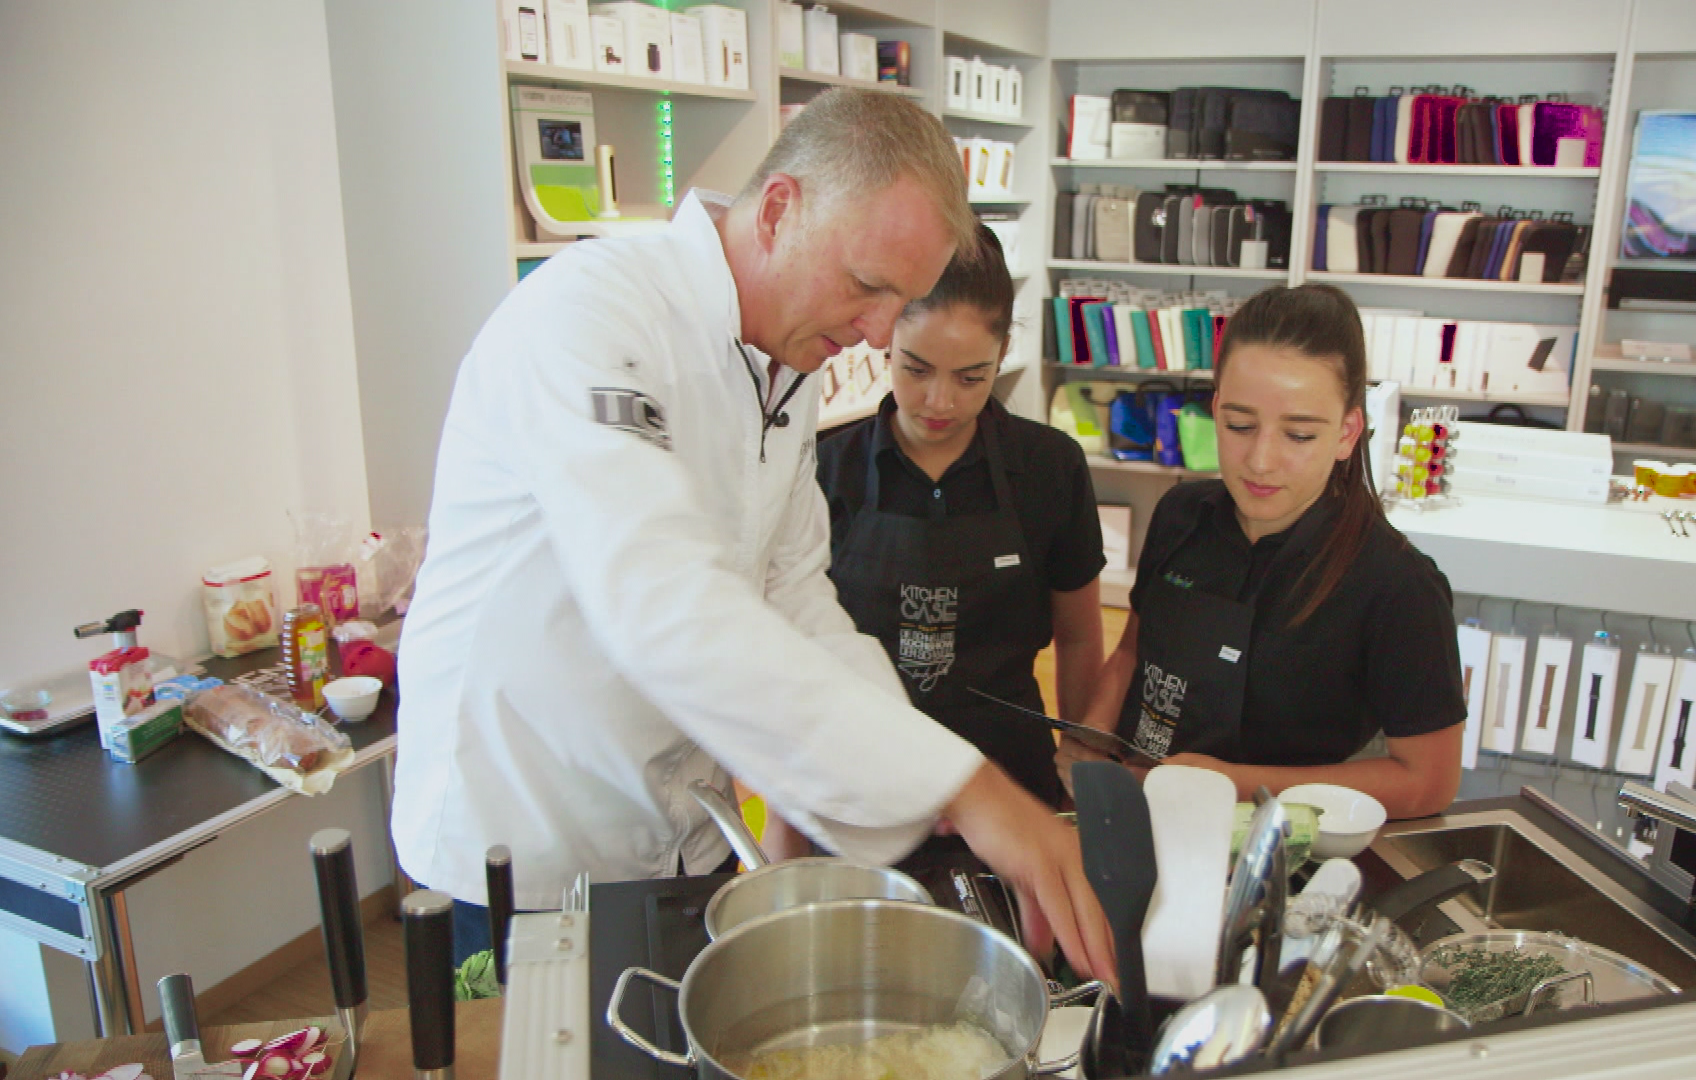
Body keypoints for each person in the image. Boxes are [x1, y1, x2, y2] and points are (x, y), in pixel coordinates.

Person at [391, 88, 1113, 983]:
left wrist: (936, 786)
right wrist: (958, 787)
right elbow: (661, 603)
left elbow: (797, 594)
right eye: (867, 287)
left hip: (686, 835)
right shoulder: (591, 317)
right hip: (531, 841)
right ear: (778, 212)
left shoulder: (782, 363)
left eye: (905, 300)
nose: (877, 334)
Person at [1056, 284, 1464, 818]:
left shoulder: (1397, 586)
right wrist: (1094, 735)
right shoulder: (1181, 514)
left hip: (1283, 859)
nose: (1261, 460)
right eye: (1240, 426)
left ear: (1346, 433)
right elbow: (1136, 649)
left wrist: (1235, 784)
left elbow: (1429, 780)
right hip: (1137, 819)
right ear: (1216, 409)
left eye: (1298, 435)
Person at [810, 224, 1107, 814]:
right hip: (866, 771)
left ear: (1002, 355)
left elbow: (1077, 635)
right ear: (885, 342)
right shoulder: (829, 468)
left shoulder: (1049, 467)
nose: (940, 402)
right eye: (916, 370)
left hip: (1009, 770)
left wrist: (1082, 750)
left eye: (972, 377)